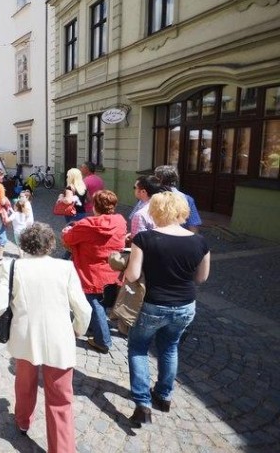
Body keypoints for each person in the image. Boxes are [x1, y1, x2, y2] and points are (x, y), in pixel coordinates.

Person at [0, 223, 91, 451]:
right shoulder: (65, 268)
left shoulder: (13, 266)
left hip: (25, 338)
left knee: (24, 384)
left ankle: (23, 421)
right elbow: (84, 310)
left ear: (24, 244)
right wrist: (77, 329)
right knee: (60, 399)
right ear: (51, 244)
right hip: (59, 339)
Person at [124, 191, 210, 427]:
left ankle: (142, 403)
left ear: (156, 211)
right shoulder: (200, 241)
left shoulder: (144, 238)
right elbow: (201, 278)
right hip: (184, 305)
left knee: (139, 348)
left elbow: (132, 275)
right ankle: (163, 396)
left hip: (153, 303)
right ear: (182, 211)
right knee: (170, 348)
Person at [62, 190, 127, 354]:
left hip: (91, 270)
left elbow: (69, 239)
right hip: (112, 270)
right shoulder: (120, 221)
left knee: (94, 302)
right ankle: (94, 327)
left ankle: (103, 340)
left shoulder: (87, 224)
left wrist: (67, 232)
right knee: (103, 301)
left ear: (95, 206)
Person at [154, 165, 202, 232]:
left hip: (156, 238)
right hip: (181, 238)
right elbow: (193, 225)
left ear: (159, 180)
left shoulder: (153, 197)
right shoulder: (187, 199)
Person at [128, 175, 164, 240]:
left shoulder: (140, 215)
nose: (134, 189)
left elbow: (138, 241)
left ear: (143, 192)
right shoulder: (165, 207)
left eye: (135, 187)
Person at [7, 192, 34, 257]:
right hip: (24, 229)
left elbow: (8, 220)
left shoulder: (15, 214)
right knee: (24, 242)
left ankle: (21, 256)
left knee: (19, 245)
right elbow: (26, 215)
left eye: (21, 196)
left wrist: (5, 215)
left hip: (18, 231)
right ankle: (25, 254)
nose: (20, 198)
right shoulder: (24, 212)